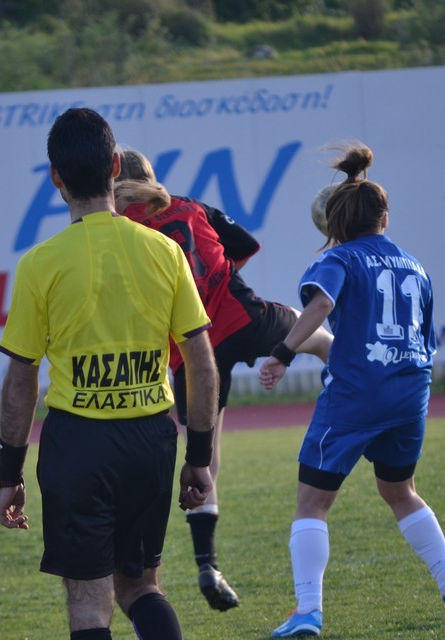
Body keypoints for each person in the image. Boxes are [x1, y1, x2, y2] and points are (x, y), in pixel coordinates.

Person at [0, 107, 220, 640]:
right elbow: (201, 361)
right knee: (141, 585)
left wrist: (8, 472)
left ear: (56, 178)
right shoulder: (163, 251)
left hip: (79, 447)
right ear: (116, 167)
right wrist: (198, 456)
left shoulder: (40, 264)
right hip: (151, 439)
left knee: (89, 605)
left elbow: (20, 380)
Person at [259, 142, 445, 638]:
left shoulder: (338, 259)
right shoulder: (416, 266)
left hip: (357, 393)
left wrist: (283, 353)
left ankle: (308, 611)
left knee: (312, 502)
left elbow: (320, 306)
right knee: (400, 490)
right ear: (385, 218)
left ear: (334, 224)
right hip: (410, 391)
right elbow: (426, 338)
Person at [113, 148, 333, 612]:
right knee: (315, 337)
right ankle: (361, 388)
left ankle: (208, 565)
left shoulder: (120, 228)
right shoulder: (191, 206)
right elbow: (245, 247)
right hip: (239, 318)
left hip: (189, 351)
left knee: (205, 458)